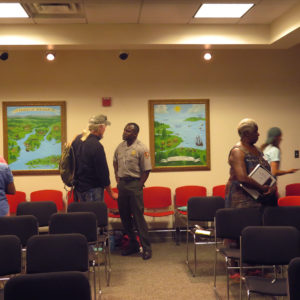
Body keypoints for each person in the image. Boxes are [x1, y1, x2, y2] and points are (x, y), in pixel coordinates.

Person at [113, 123, 152, 260]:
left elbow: (147, 170)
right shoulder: (120, 146)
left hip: (135, 184)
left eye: (128, 131)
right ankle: (133, 245)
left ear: (135, 134)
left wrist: (139, 185)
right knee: (124, 217)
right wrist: (117, 178)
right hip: (122, 185)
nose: (124, 132)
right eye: (124, 129)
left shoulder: (142, 148)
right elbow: (115, 162)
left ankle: (146, 248)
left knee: (138, 218)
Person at [225, 118, 277, 209]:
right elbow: (242, 178)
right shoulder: (237, 151)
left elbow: (267, 172)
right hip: (243, 202)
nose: (258, 134)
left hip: (262, 199)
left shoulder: (258, 150)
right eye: (255, 131)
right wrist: (262, 188)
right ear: (246, 134)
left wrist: (272, 187)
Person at [72, 114, 117, 202]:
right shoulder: (96, 146)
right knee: (94, 215)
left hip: (78, 189)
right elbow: (103, 172)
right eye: (105, 127)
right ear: (100, 127)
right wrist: (111, 193)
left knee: (83, 215)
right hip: (93, 189)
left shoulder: (77, 139)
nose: (105, 130)